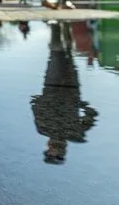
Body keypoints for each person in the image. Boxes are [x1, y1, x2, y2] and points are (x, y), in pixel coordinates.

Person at [30, 22, 98, 165]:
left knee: (65, 56)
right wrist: (39, 100)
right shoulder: (44, 129)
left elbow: (92, 114)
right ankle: (58, 26)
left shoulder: (75, 133)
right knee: (57, 54)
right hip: (54, 86)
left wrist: (80, 104)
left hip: (69, 88)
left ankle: (63, 26)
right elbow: (36, 107)